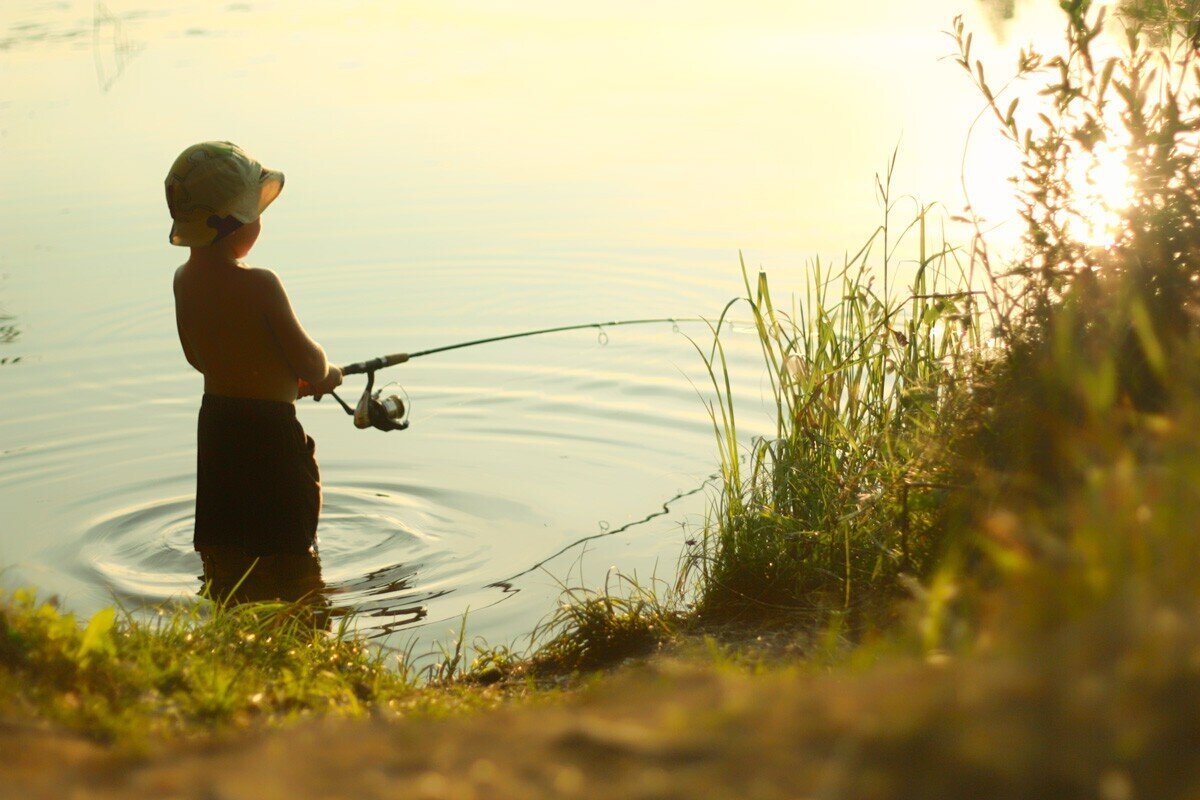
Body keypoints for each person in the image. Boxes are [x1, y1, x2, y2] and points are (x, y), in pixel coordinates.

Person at [166, 141, 342, 615]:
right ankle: (297, 612)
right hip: (270, 436)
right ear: (238, 224)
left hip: (218, 429)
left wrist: (265, 375)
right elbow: (309, 363)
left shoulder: (184, 281)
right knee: (287, 544)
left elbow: (197, 357)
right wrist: (327, 373)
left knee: (227, 546)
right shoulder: (260, 284)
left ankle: (230, 614)